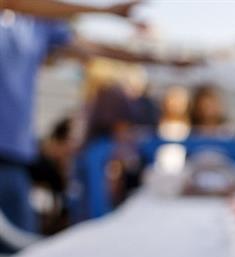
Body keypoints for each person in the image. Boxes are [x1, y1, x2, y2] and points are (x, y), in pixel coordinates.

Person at [0, 0, 158, 243]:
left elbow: (92, 48)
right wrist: (104, 11)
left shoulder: (36, 25)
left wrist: (157, 60)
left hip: (13, 156)